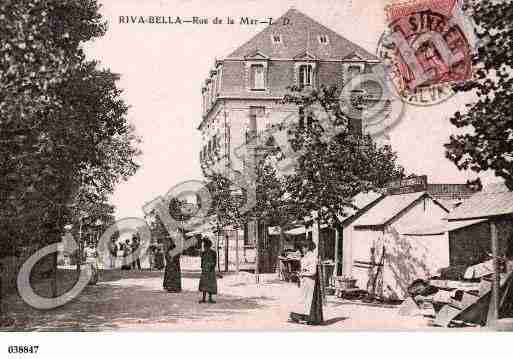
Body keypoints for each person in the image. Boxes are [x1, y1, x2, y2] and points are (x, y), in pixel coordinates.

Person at [289, 240, 323, 325]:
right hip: (305, 281)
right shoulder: (306, 256)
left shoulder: (312, 257)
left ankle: (310, 318)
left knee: (308, 300)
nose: (302, 249)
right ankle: (301, 317)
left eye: (304, 247)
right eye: (302, 247)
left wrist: (302, 273)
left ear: (308, 247)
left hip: (310, 282)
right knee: (303, 299)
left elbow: (313, 272)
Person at [199, 238, 217, 303]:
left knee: (208, 284)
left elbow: (214, 261)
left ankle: (208, 298)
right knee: (206, 284)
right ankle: (206, 298)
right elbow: (202, 261)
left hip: (209, 270)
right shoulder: (206, 253)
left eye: (205, 246)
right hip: (206, 270)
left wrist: (211, 267)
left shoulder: (212, 253)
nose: (205, 247)